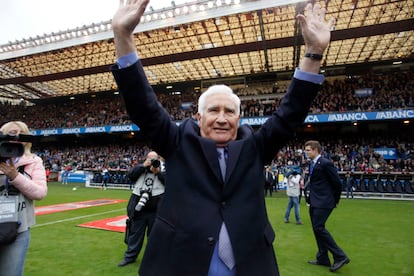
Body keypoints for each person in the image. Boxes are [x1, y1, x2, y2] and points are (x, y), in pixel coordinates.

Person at [110, 1, 334, 275]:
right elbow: (142, 105)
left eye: (229, 111)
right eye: (213, 110)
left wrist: (314, 52)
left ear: (239, 119)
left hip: (249, 264)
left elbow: (291, 113)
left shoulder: (255, 147)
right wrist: (122, 35)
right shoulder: (178, 143)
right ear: (199, 117)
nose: (221, 117)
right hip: (180, 263)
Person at [0, 121, 48, 276]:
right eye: (11, 133)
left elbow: (40, 193)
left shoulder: (34, 161)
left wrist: (15, 177)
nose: (16, 138)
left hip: (18, 228)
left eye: (20, 134)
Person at [304, 140, 350, 272]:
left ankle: (340, 256)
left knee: (319, 227)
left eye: (308, 150)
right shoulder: (312, 164)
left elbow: (337, 183)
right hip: (314, 201)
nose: (306, 152)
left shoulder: (325, 163)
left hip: (324, 202)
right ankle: (323, 257)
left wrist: (334, 200)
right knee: (316, 229)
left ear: (315, 150)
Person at [118, 151, 165, 267]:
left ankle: (153, 259)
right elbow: (130, 175)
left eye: (155, 159)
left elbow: (171, 182)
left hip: (156, 210)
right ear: (146, 159)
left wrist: (158, 172)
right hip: (139, 210)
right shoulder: (140, 167)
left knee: (154, 236)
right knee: (135, 235)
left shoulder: (163, 168)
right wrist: (143, 166)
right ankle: (130, 257)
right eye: (150, 159)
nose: (153, 161)